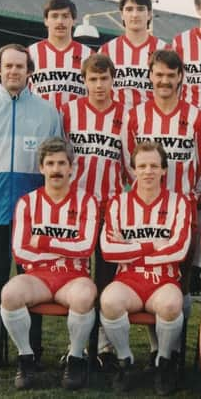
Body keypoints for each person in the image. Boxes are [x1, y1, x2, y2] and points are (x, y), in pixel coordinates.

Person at [0, 43, 62, 370]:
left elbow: (54, 159)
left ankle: (31, 350)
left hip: (33, 215)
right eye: (8, 66)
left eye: (20, 66)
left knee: (30, 281)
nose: (14, 72)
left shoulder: (48, 112)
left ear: (30, 71)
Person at [124, 48, 201, 360]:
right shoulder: (135, 116)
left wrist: (187, 200)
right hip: (145, 215)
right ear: (150, 76)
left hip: (182, 213)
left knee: (180, 285)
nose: (164, 81)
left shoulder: (197, 117)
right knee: (150, 276)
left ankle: (173, 354)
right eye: (158, 74)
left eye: (170, 75)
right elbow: (128, 163)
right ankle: (156, 349)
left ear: (180, 77)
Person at [0, 137, 99, 390]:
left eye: (62, 163)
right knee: (9, 294)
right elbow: (21, 251)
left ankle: (75, 359)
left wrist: (43, 241)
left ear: (71, 168)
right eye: (50, 163)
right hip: (38, 277)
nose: (56, 169)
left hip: (73, 276)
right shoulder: (27, 202)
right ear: (41, 167)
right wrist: (65, 248)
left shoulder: (87, 201)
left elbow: (85, 247)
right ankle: (26, 358)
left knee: (85, 295)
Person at [99, 141, 191, 394]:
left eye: (154, 166)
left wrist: (129, 247)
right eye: (142, 166)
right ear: (133, 170)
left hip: (165, 279)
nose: (148, 171)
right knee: (109, 301)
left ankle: (163, 363)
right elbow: (108, 251)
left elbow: (179, 250)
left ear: (164, 170)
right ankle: (125, 362)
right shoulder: (118, 203)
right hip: (128, 279)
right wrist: (152, 246)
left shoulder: (179, 203)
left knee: (172, 306)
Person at [60, 53, 128, 366]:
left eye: (104, 78)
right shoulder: (70, 112)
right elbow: (62, 160)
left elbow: (129, 166)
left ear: (113, 80)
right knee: (76, 279)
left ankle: (103, 347)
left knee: (106, 277)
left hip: (110, 206)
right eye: (93, 79)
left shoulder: (126, 115)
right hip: (76, 208)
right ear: (84, 81)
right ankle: (76, 345)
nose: (99, 85)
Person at [99, 0, 167, 108]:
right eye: (129, 9)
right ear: (122, 14)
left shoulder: (164, 50)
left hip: (152, 122)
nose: (135, 15)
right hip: (115, 121)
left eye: (140, 9)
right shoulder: (106, 51)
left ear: (150, 14)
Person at [28, 0, 93, 111]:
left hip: (76, 125)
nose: (60, 21)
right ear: (46, 21)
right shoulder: (29, 53)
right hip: (40, 124)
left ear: (73, 21)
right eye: (54, 16)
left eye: (65, 16)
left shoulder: (89, 55)